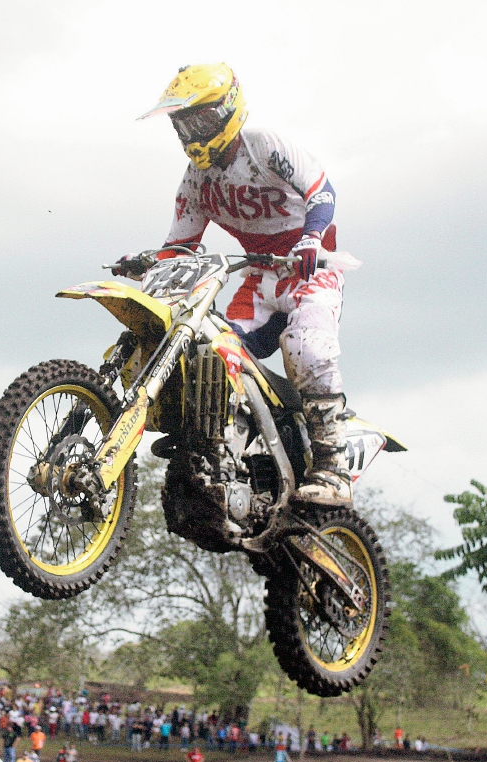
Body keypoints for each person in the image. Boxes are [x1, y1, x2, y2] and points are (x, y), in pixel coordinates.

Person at [136, 63, 354, 505]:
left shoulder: (265, 145)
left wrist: (312, 236)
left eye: (201, 119)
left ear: (228, 110)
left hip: (311, 271)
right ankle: (213, 444)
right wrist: (145, 263)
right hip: (258, 280)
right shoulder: (196, 180)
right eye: (184, 123)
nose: (193, 132)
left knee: (306, 346)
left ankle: (334, 468)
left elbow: (322, 190)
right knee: (213, 349)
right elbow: (179, 245)